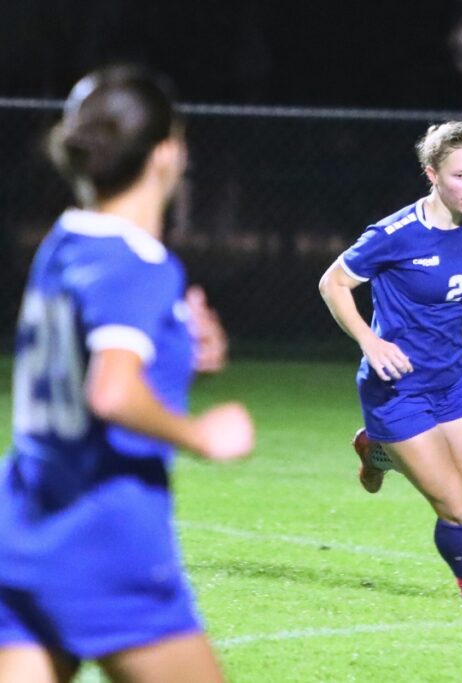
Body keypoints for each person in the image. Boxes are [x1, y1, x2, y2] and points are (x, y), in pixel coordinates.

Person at [0, 65, 255, 683]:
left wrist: (177, 347)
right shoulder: (140, 263)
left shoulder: (63, 242)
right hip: (106, 540)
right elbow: (111, 391)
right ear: (166, 151)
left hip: (25, 529)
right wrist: (201, 436)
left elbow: (88, 354)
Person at [319, 121, 462, 605]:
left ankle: (380, 452)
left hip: (450, 383)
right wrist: (369, 341)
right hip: (396, 388)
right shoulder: (394, 234)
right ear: (432, 174)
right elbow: (332, 283)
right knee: (456, 509)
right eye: (459, 175)